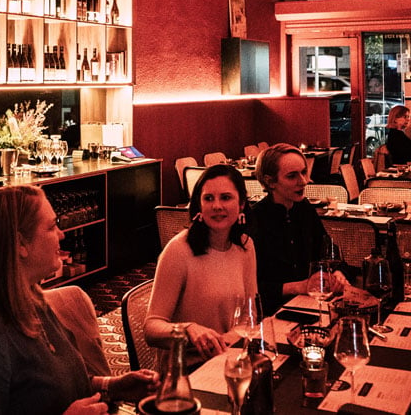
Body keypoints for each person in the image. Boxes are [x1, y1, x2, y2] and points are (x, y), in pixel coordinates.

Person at [0, 186, 158, 415]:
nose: (62, 234)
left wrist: (112, 387)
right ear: (20, 244)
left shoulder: (32, 302)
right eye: (52, 226)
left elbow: (59, 385)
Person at [145, 164, 257, 360]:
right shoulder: (179, 250)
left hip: (229, 357)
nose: (217, 206)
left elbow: (250, 314)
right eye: (208, 198)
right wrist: (188, 330)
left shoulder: (246, 246)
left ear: (241, 205)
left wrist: (227, 340)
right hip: (186, 368)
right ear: (199, 205)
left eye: (226, 197)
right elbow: (151, 328)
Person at [247, 143, 347, 314]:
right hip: (273, 313)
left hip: (311, 304)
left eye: (304, 172)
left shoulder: (304, 208)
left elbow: (328, 252)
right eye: (292, 176)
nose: (304, 181)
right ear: (270, 182)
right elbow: (252, 288)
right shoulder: (255, 220)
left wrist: (337, 273)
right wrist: (299, 286)